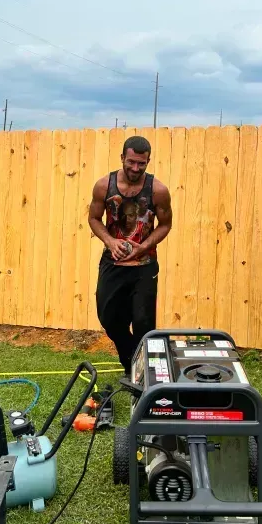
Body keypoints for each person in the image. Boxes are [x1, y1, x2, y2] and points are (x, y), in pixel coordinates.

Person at [88, 135, 172, 376]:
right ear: (123, 158)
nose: (136, 168)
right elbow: (93, 218)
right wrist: (110, 241)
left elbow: (165, 224)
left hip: (144, 266)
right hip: (112, 263)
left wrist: (142, 247)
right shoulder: (104, 185)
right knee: (110, 319)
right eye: (131, 162)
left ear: (148, 162)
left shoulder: (158, 190)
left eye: (141, 164)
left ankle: (143, 375)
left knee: (144, 324)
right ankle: (134, 363)